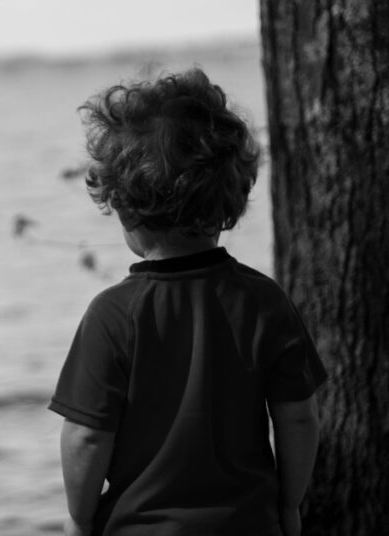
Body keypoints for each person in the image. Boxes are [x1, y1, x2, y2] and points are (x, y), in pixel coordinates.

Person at [48, 68, 327, 536]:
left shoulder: (112, 315)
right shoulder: (264, 302)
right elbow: (299, 416)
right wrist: (290, 504)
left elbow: (87, 436)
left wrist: (79, 518)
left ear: (124, 205)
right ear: (230, 197)